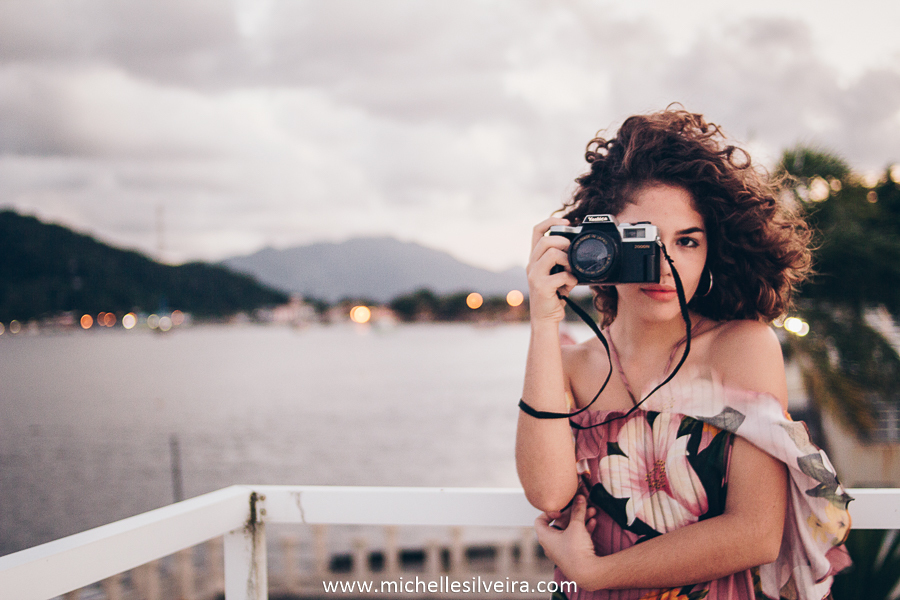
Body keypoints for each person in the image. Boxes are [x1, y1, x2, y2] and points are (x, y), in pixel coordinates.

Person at [516, 107, 851, 600]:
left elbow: (756, 533)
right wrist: (544, 319)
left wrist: (596, 574)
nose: (665, 265)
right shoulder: (569, 365)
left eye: (687, 241)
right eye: (644, 241)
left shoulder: (741, 348)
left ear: (710, 252)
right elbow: (547, 495)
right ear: (599, 248)